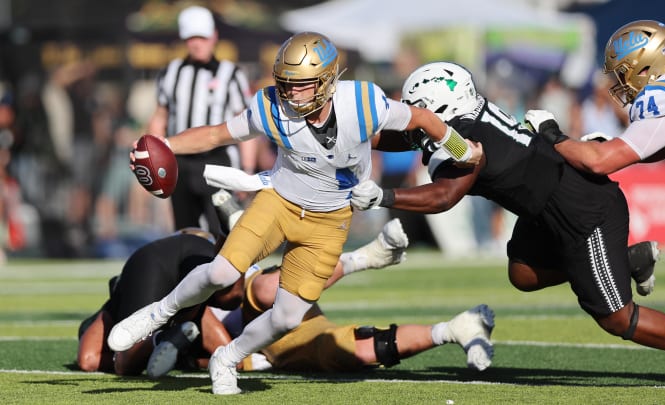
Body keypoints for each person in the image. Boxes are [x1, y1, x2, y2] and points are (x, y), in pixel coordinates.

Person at [108, 32, 480, 395]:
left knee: (287, 317)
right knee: (223, 271)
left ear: (329, 79)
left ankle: (227, 358)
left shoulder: (365, 103)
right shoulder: (269, 106)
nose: (292, 92)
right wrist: (165, 144)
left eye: (302, 84)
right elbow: (217, 135)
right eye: (286, 83)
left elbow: (422, 119)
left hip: (330, 219)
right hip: (279, 202)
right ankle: (158, 313)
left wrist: (462, 150)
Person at [349, 61, 665, 391]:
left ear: (438, 106)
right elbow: (405, 135)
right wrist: (350, 131)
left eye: (418, 110)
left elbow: (445, 196)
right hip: (543, 207)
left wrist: (384, 196)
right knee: (524, 274)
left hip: (584, 210)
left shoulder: (468, 137)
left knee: (616, 318)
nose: (414, 118)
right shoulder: (467, 118)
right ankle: (627, 260)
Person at [79, 210, 494, 377]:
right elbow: (212, 347)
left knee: (262, 288)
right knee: (343, 354)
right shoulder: (181, 318)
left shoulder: (214, 273)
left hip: (256, 304)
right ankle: (449, 329)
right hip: (256, 336)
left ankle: (364, 258)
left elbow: (221, 335)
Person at [524, 20, 665, 181]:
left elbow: (598, 162)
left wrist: (552, 135)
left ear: (644, 69)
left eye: (623, 73)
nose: (620, 82)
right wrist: (624, 144)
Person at [146, 6, 257, 238]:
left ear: (213, 37)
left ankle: (228, 275)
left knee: (226, 231)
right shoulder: (171, 73)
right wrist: (153, 158)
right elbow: (160, 117)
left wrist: (246, 171)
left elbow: (246, 124)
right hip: (180, 163)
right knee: (186, 233)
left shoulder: (231, 74)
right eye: (191, 37)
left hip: (220, 161)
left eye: (202, 37)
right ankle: (191, 273)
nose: (197, 43)